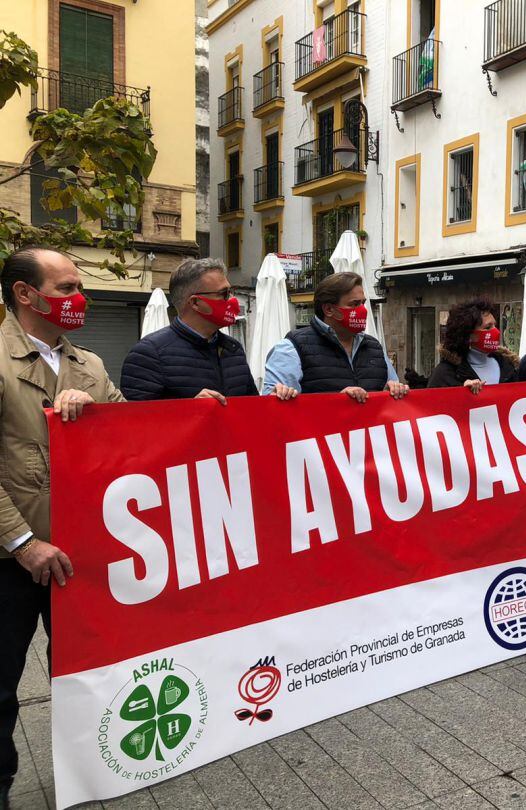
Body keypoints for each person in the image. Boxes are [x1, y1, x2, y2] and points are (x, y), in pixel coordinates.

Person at [0, 247, 126, 808]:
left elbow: (133, 437)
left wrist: (99, 414)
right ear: (26, 295)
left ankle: (85, 774)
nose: (80, 299)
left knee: (83, 676)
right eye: (66, 288)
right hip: (13, 560)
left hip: (80, 558)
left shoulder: (92, 366)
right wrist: (22, 541)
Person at [121, 258, 290, 402]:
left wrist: (271, 402)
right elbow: (137, 426)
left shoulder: (233, 349)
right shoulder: (149, 354)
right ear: (195, 303)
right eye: (224, 294)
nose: (232, 300)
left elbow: (249, 408)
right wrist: (191, 410)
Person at [262, 272, 408, 403]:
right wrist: (336, 403)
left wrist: (394, 391)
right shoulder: (292, 348)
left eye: (363, 303)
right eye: (354, 304)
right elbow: (275, 409)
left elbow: (390, 397)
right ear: (329, 309)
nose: (362, 310)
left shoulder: (374, 347)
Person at [427, 298, 518, 393]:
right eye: (488, 327)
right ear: (468, 335)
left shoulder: (506, 365)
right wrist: (461, 392)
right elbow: (431, 404)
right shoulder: (444, 374)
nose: (496, 331)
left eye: (495, 326)